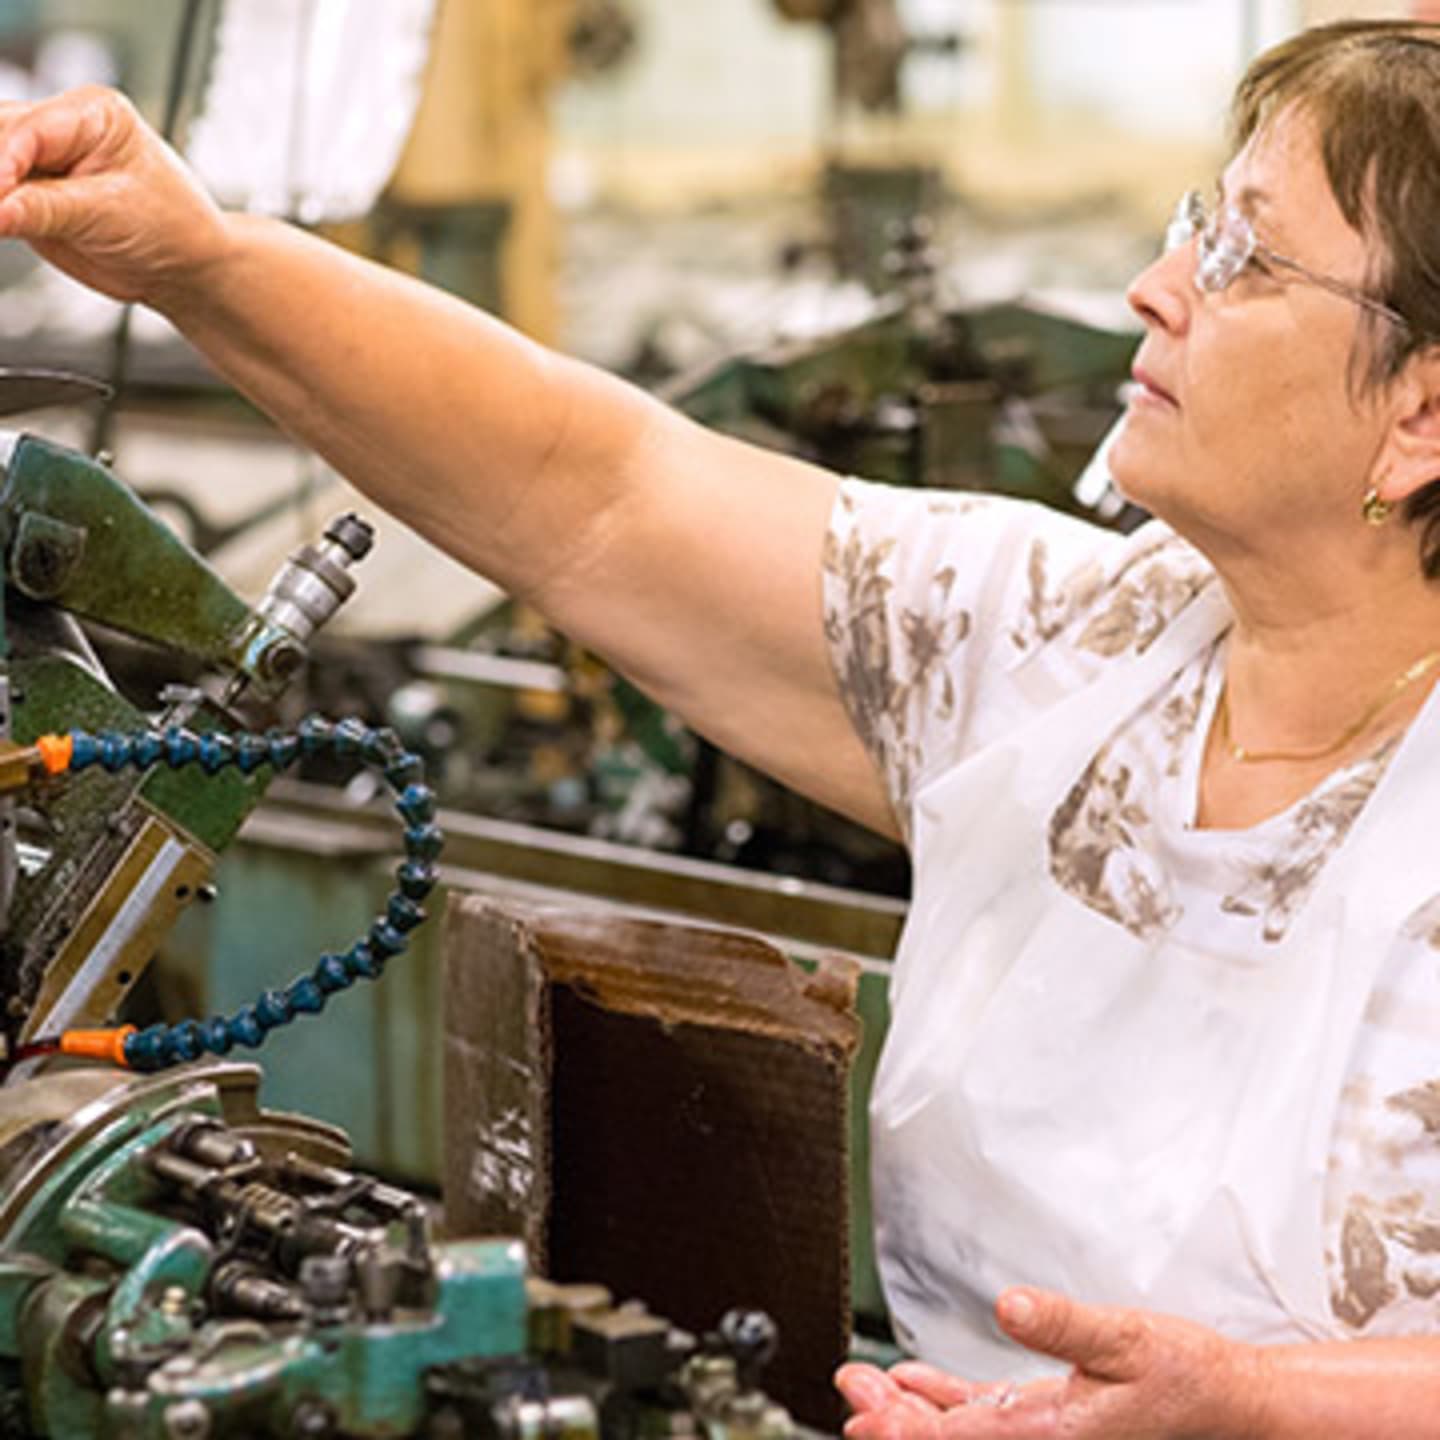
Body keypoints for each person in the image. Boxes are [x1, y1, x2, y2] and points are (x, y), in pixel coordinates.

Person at [1, 16, 1439, 1439]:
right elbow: (597, 492)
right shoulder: (1078, 653)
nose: (1154, 286)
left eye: (1246, 254)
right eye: (1196, 222)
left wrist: (1256, 1405)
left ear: (1420, 414)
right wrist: (197, 258)